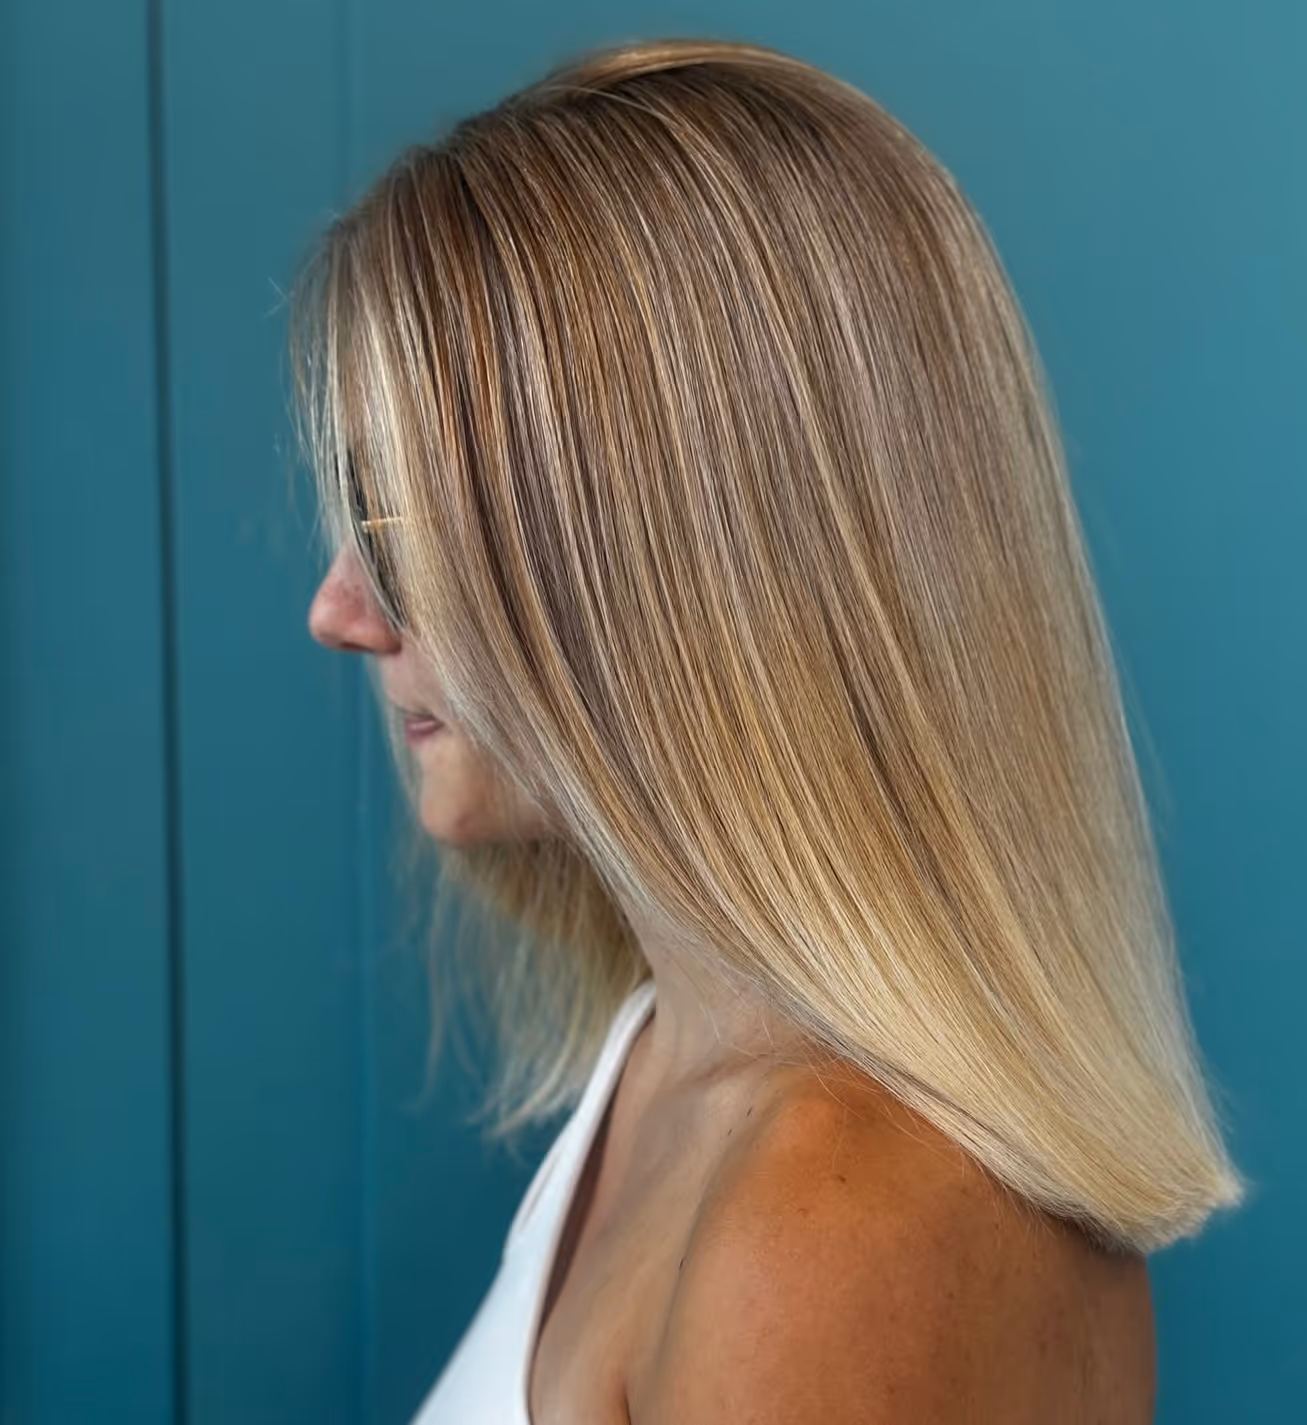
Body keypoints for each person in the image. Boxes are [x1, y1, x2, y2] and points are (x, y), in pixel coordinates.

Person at [298, 37, 1247, 1424]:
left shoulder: (829, 1230)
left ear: (691, 551)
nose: (340, 609)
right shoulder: (686, 1066)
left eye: (397, 516)